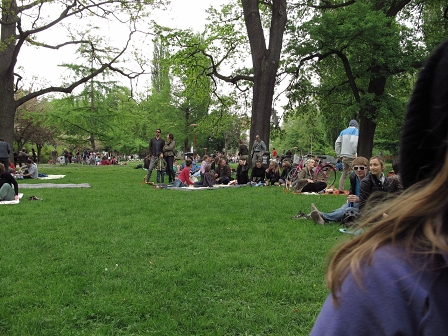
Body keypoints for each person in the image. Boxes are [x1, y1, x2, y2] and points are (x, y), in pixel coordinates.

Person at [310, 40, 448, 335]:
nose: (366, 170)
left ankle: (324, 215)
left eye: (369, 167)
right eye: (363, 168)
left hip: (355, 183)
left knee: (349, 204)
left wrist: (343, 158)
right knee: (349, 200)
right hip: (360, 191)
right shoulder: (385, 278)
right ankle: (325, 215)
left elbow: (346, 159)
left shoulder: (385, 277)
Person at [304, 157, 369, 224]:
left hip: (365, 205)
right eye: (356, 168)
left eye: (361, 168)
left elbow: (373, 199)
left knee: (348, 210)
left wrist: (359, 199)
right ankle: (318, 216)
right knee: (343, 208)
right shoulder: (353, 176)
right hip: (355, 202)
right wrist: (350, 197)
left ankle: (321, 215)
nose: (358, 170)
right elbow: (352, 190)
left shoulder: (370, 180)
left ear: (366, 168)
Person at [335, 120, 359, 192]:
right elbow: (354, 142)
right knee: (357, 172)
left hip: (344, 156)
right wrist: (355, 153)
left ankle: (341, 188)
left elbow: (337, 143)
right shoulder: (355, 130)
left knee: (344, 173)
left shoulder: (343, 131)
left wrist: (338, 154)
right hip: (351, 155)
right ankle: (357, 188)